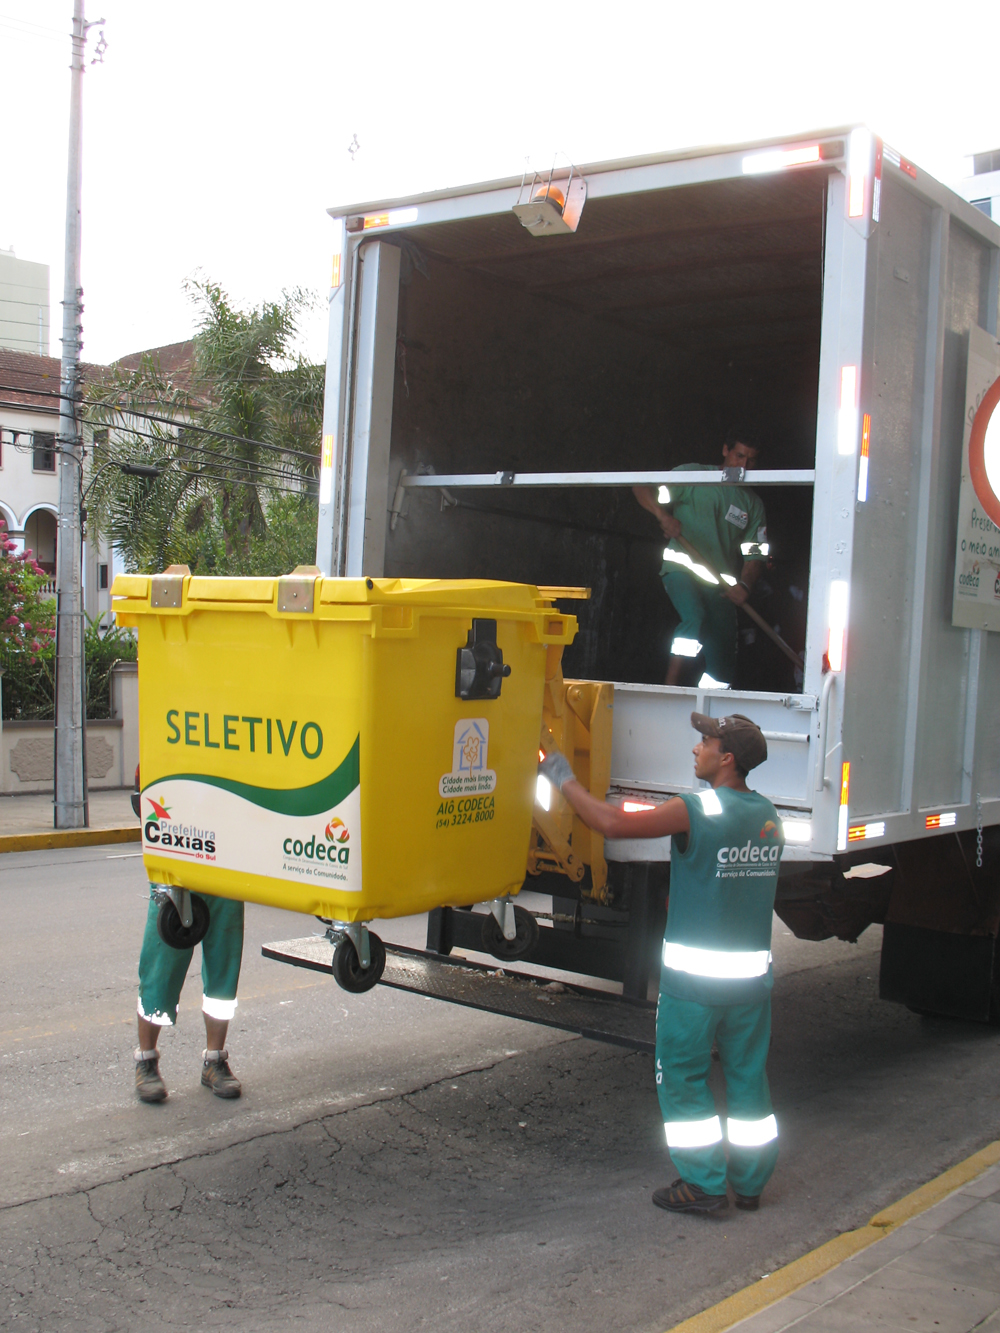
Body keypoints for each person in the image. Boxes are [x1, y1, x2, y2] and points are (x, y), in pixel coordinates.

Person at [538, 712, 783, 1215]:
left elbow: (610, 823)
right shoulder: (767, 816)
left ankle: (704, 1185)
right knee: (747, 1080)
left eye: (705, 742)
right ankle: (751, 1184)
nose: (696, 749)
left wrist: (562, 777)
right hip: (750, 987)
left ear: (727, 758)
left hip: (694, 988)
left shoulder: (696, 809)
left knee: (683, 1079)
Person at [633, 430, 769, 688]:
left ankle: (710, 714)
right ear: (725, 451)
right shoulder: (693, 476)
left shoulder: (752, 504)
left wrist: (745, 586)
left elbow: (756, 555)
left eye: (751, 460)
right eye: (739, 455)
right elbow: (641, 486)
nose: (743, 465)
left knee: (723, 661)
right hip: (681, 568)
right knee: (694, 617)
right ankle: (669, 689)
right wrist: (662, 516)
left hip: (721, 587)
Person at [133, 892, 245, 1103]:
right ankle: (146, 1060)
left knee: (223, 968)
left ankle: (215, 1061)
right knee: (160, 968)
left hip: (226, 875)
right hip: (179, 872)